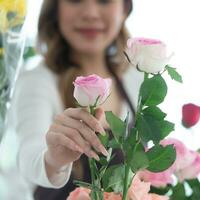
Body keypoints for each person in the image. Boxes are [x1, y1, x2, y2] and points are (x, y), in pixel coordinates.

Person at [9, 0, 142, 199]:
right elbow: (28, 156)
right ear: (56, 9)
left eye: (104, 1)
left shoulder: (134, 78)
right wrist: (53, 159)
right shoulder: (37, 81)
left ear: (124, 9)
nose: (90, 13)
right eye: (75, 0)